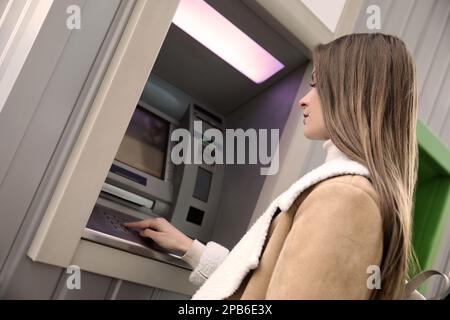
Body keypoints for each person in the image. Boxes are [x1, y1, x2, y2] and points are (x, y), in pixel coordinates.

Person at [124, 33, 420, 300]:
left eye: (317, 85)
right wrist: (190, 249)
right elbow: (264, 287)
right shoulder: (346, 191)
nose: (303, 100)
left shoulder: (346, 198)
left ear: (353, 93)